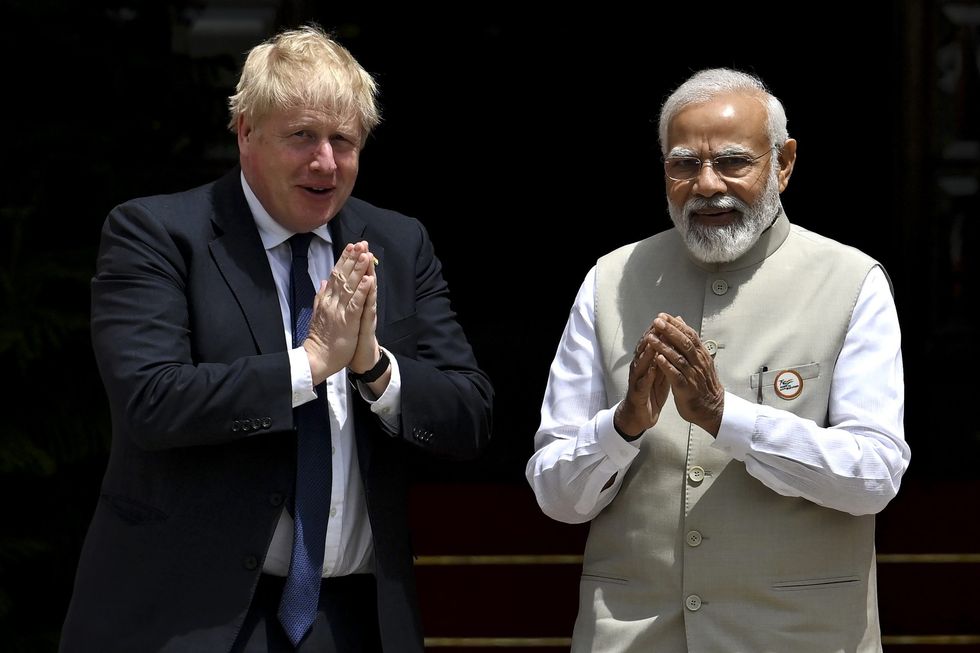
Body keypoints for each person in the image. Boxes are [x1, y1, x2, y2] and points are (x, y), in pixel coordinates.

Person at [60, 24, 493, 653]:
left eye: (343, 141)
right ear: (244, 133)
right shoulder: (157, 233)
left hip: (351, 620)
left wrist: (373, 368)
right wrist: (311, 363)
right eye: (302, 137)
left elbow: (470, 415)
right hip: (190, 616)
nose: (325, 162)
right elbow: (150, 402)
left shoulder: (397, 244)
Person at [526, 67, 910, 652]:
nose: (706, 185)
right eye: (684, 164)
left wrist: (726, 418)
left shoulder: (851, 281)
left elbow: (874, 476)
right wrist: (622, 426)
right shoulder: (611, 281)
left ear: (783, 164)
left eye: (733, 162)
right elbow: (555, 495)